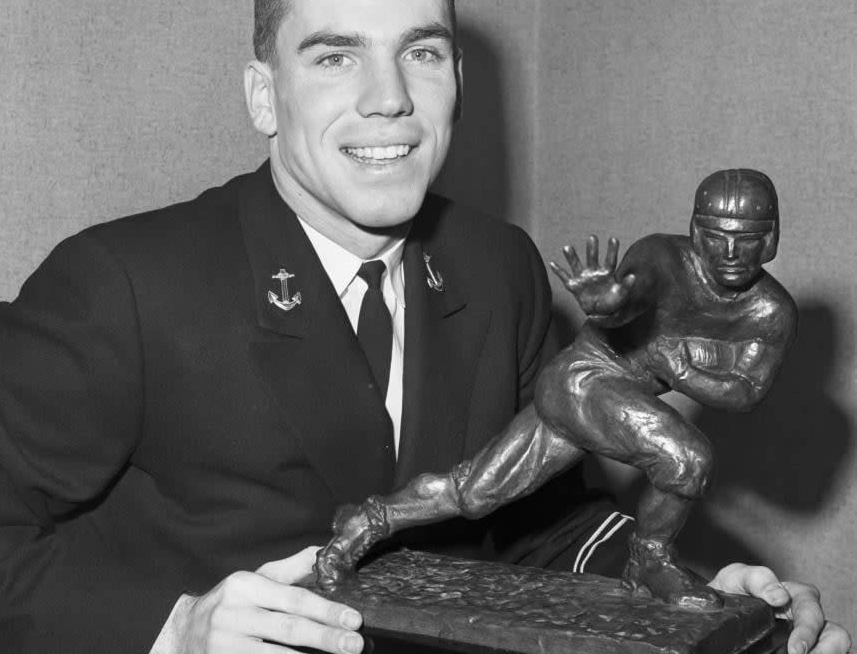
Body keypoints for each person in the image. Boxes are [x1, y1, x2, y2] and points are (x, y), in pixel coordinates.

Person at [0, 0, 849, 654]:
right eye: (334, 56)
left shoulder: (498, 263)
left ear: (455, 76)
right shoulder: (123, 283)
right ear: (262, 93)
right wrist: (170, 628)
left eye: (419, 51)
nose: (388, 99)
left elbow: (533, 516)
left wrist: (672, 594)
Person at [317, 169, 811, 612]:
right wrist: (608, 305)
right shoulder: (664, 257)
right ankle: (649, 560)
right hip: (582, 380)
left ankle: (368, 518)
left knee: (474, 493)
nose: (728, 253)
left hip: (597, 402)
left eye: (746, 239)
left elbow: (745, 393)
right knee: (686, 458)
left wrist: (679, 370)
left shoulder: (770, 312)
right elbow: (629, 295)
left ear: (770, 240)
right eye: (715, 236)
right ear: (694, 231)